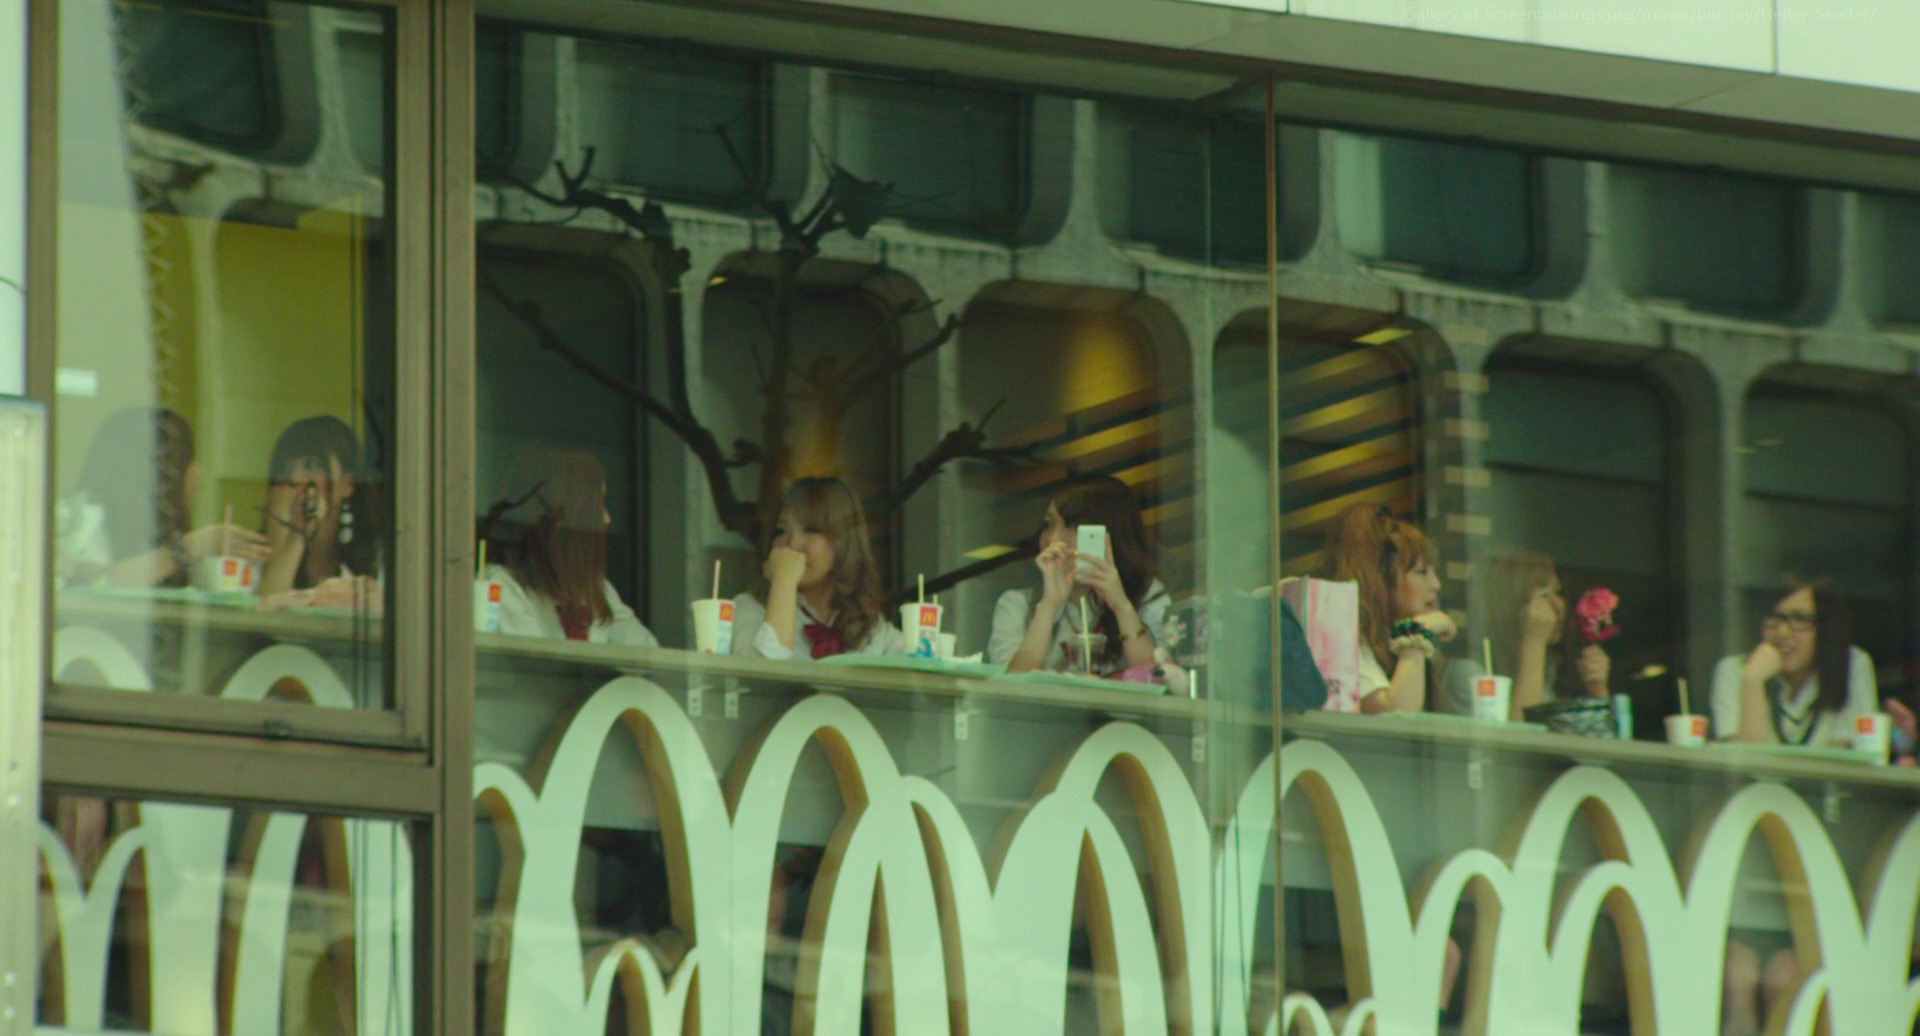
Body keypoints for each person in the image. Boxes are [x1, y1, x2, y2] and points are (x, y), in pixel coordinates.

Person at [55, 406, 266, 587]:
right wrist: (184, 550)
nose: (197, 472)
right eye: (185, 458)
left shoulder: (158, 528)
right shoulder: (76, 515)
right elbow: (93, 588)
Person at [988, 475, 1170, 676]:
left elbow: (1156, 678)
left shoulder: (1147, 594)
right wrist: (1049, 605)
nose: (1054, 539)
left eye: (1072, 526)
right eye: (1049, 525)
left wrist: (1122, 607)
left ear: (1107, 534)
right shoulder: (1017, 605)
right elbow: (1013, 685)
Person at [479, 443, 657, 646]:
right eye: (597, 505)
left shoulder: (595, 589)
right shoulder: (502, 588)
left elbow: (646, 656)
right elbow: (535, 670)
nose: (607, 519)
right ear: (572, 517)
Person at [732, 476, 903, 660]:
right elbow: (761, 676)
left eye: (810, 530)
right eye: (781, 531)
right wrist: (784, 581)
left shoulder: (872, 629)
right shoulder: (751, 609)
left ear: (843, 541)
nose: (793, 544)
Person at [1314, 503, 1456, 713]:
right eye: (1422, 573)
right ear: (1381, 578)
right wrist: (1416, 633)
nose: (1436, 585)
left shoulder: (1384, 638)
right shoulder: (1343, 638)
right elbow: (1396, 713)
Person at [1441, 551, 1610, 719]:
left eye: (1558, 592)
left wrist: (1598, 690)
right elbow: (1523, 736)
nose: (1559, 606)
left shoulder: (1553, 668)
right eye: (1545, 595)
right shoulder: (1469, 675)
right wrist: (1533, 642)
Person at [1710, 578, 1875, 747]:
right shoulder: (1736, 670)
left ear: (1826, 627)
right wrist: (1753, 682)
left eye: (1800, 618)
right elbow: (1743, 765)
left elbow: (1848, 757)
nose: (1782, 632)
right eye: (1774, 617)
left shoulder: (1852, 663)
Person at [258, 415, 384, 598]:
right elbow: (267, 610)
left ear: (348, 484)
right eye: (285, 468)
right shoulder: (246, 562)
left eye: (311, 465)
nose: (294, 479)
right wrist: (285, 537)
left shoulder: (377, 559)